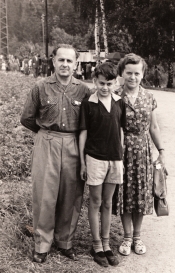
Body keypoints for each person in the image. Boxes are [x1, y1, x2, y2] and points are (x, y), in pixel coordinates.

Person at [20, 44, 91, 263]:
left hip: (73, 143)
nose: (65, 64)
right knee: (45, 193)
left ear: (76, 64)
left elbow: (88, 123)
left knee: (71, 193)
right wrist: (45, 134)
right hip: (47, 140)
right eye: (61, 60)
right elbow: (27, 118)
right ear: (53, 61)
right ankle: (42, 244)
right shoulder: (40, 87)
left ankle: (65, 241)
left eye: (70, 61)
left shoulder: (84, 90)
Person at [113, 53, 166, 256]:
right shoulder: (115, 95)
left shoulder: (149, 97)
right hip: (122, 149)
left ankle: (137, 236)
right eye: (128, 73)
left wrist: (161, 151)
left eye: (137, 73)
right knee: (125, 193)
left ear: (142, 74)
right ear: (122, 73)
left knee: (140, 193)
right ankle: (126, 238)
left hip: (143, 150)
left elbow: (153, 126)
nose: (132, 77)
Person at [79, 62, 126, 267]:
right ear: (94, 81)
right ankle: (96, 245)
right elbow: (83, 133)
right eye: (101, 83)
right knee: (95, 202)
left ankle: (106, 245)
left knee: (108, 202)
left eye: (109, 83)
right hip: (95, 158)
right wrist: (82, 162)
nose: (105, 87)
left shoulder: (119, 102)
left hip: (114, 158)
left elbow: (121, 129)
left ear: (115, 83)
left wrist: (120, 154)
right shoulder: (88, 103)